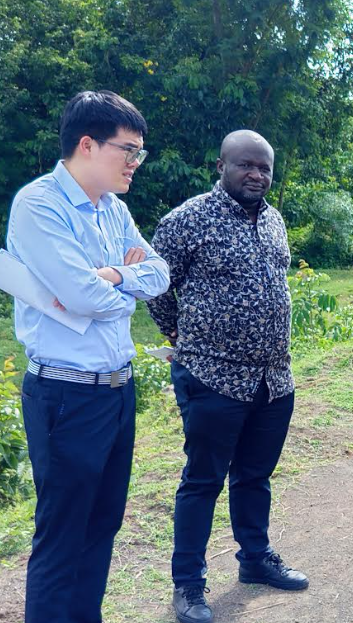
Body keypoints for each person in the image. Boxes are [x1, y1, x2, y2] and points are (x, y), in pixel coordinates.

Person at [4, 90, 170, 623]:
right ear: (87, 144)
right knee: (63, 533)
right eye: (129, 150)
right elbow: (82, 296)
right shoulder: (39, 205)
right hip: (66, 394)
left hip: (118, 390)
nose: (135, 162)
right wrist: (122, 288)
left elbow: (160, 273)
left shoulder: (113, 209)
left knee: (103, 524)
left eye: (139, 152)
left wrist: (115, 274)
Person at [148, 130, 308, 623]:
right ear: (221, 166)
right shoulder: (187, 220)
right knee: (202, 481)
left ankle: (255, 559)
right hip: (212, 376)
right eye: (246, 165)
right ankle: (188, 584)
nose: (256, 174)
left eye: (264, 168)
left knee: (255, 476)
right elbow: (155, 284)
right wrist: (179, 332)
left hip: (273, 378)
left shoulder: (274, 220)